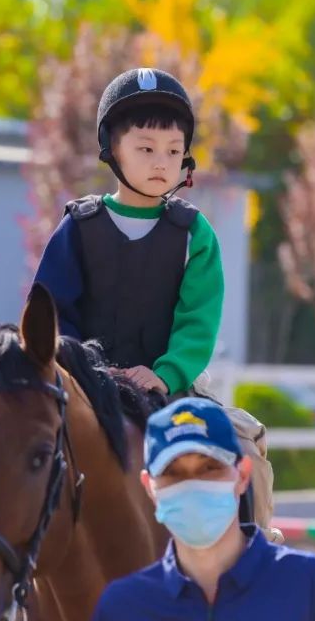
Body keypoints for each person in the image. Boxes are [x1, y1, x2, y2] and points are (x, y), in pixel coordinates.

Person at [75, 398, 315, 621]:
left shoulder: (310, 586)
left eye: (210, 467)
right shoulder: (123, 607)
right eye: (173, 473)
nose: (192, 485)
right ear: (150, 487)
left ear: (242, 475)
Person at [32, 67, 223, 398]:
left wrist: (165, 374)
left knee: (239, 443)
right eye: (146, 149)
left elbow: (198, 321)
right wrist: (85, 368)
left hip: (170, 393)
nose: (162, 163)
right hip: (81, 390)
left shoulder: (195, 233)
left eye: (174, 151)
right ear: (111, 149)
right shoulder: (78, 227)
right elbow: (51, 312)